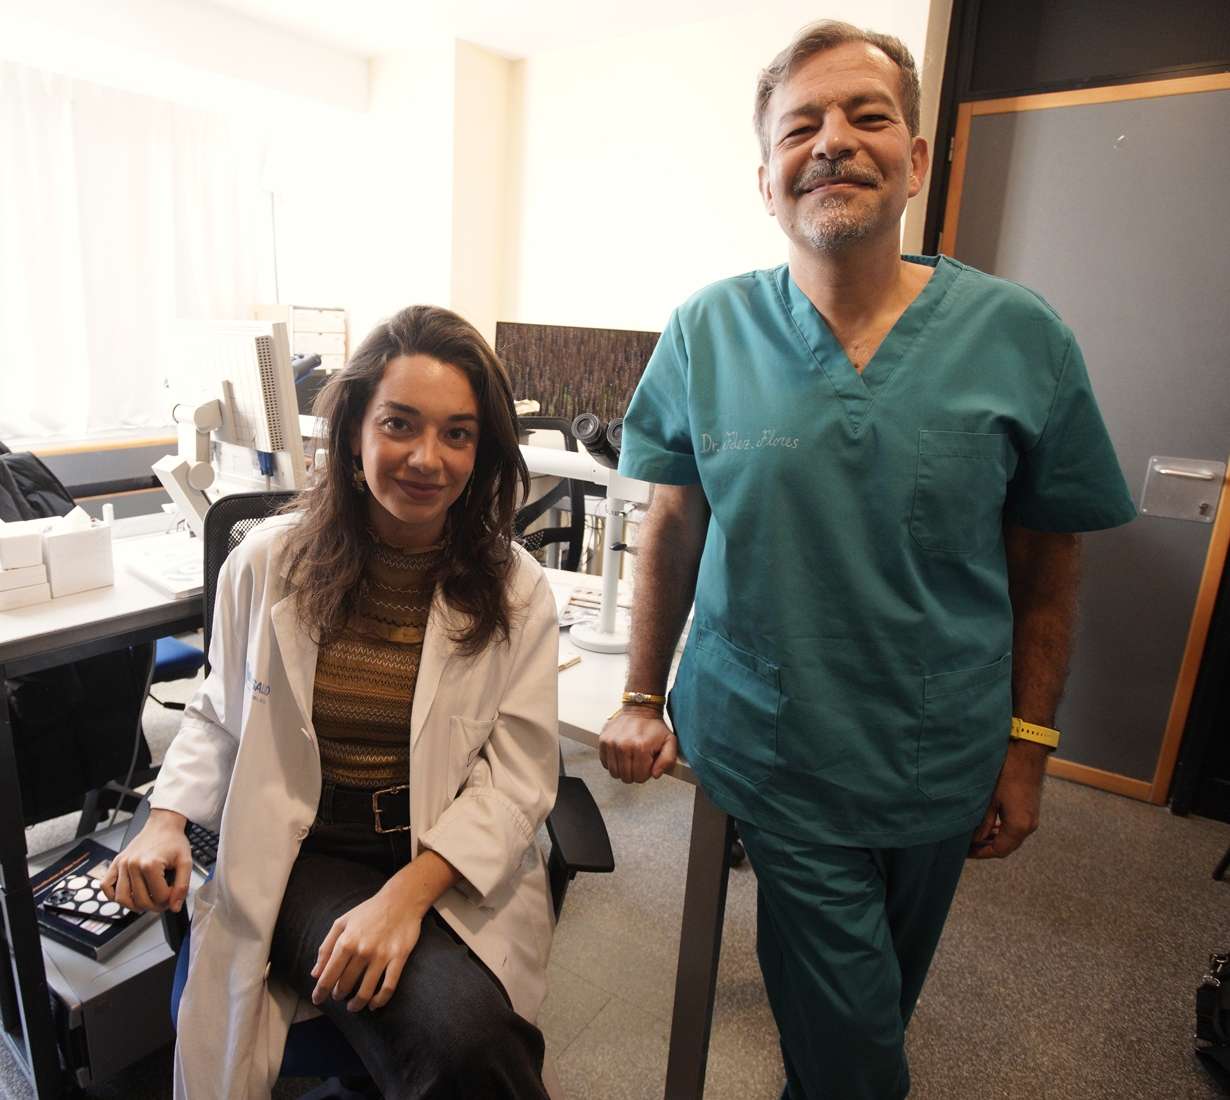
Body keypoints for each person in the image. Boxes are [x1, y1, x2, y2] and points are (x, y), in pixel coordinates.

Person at [600, 20, 1137, 1100]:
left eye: (867, 116)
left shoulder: (1021, 337)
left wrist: (1029, 745)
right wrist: (642, 692)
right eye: (802, 125)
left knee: (874, 1001)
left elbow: (1049, 566)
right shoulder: (710, 330)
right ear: (766, 179)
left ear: (917, 159)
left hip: (944, 750)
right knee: (859, 1059)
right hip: (777, 745)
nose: (833, 141)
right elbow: (672, 524)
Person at [104, 306, 562, 1100]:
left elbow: (518, 779)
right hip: (304, 847)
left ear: (482, 449)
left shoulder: (516, 587)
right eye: (400, 424)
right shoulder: (268, 562)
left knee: (469, 1039)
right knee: (461, 1040)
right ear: (354, 431)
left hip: (440, 853)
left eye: (458, 433)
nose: (429, 458)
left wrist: (403, 896)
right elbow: (219, 715)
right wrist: (166, 820)